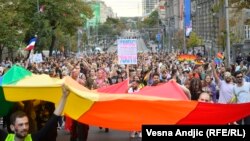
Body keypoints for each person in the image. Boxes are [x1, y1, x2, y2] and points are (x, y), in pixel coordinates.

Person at [0, 85, 70, 141]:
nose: (25, 127)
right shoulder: (5, 138)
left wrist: (64, 97)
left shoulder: (33, 138)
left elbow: (53, 119)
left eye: (26, 124)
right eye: (20, 125)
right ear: (12, 127)